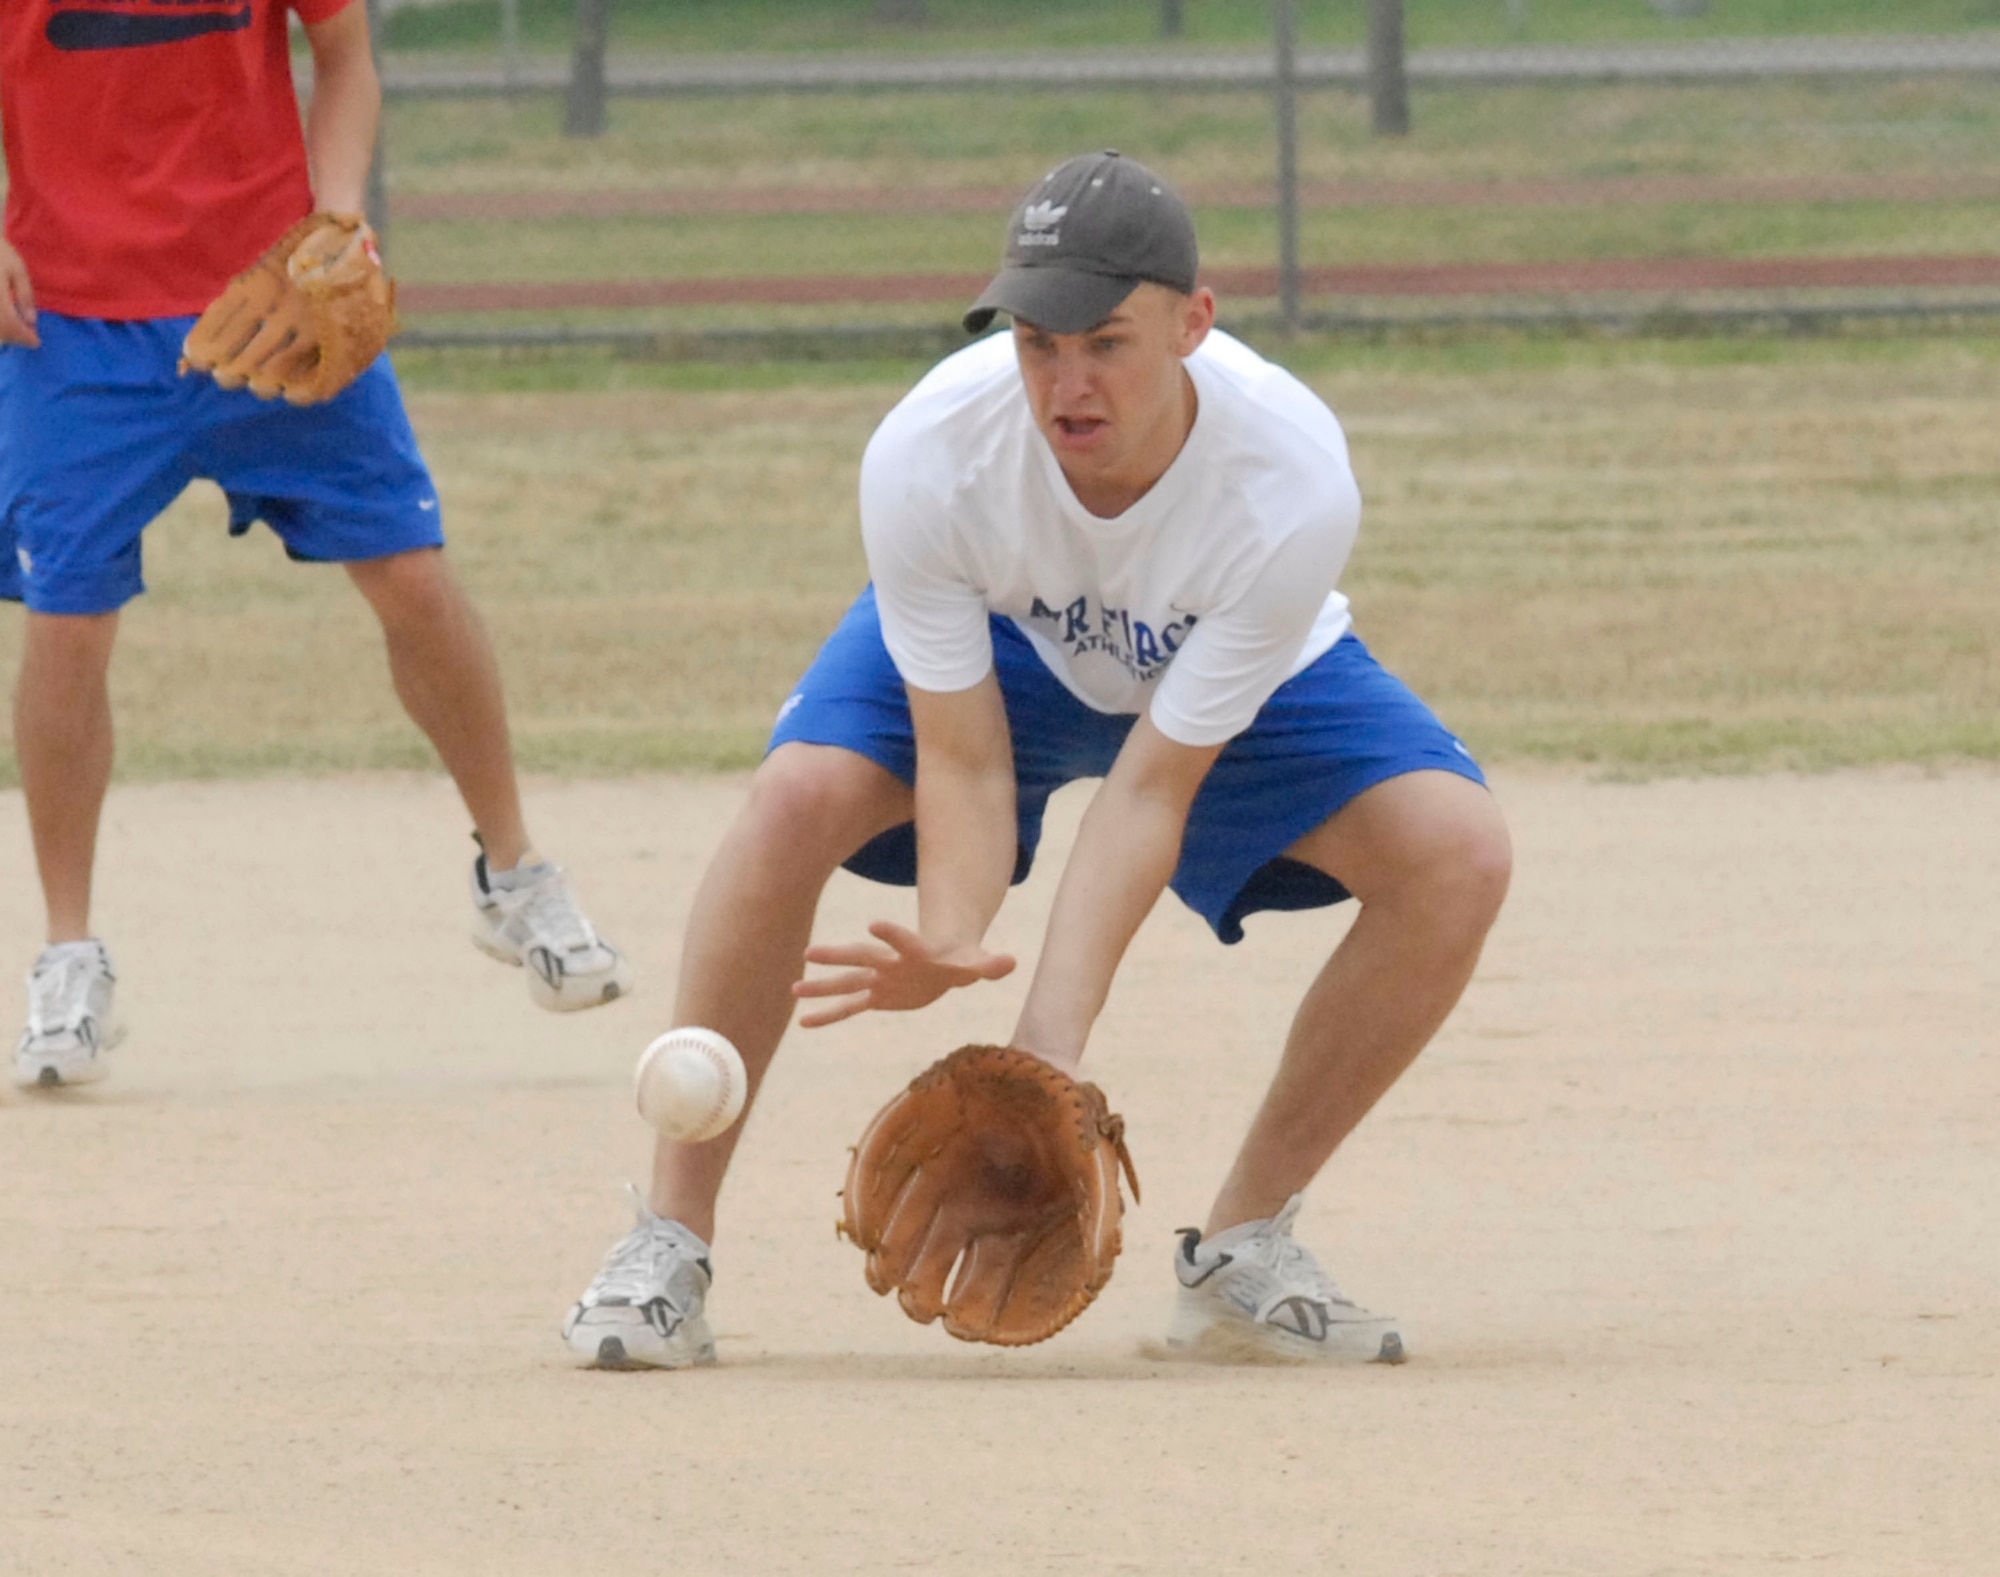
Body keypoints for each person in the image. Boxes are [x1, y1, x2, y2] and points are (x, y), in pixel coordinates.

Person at [562, 151, 1511, 1369]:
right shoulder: (932, 452)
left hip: (1208, 671)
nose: (1065, 382)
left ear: (1192, 322)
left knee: (1456, 851)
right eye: (1034, 341)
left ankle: (1239, 1251)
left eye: (1105, 341)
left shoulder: (1287, 480)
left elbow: (1149, 785)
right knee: (796, 792)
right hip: (1008, 642)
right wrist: (954, 938)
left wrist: (1040, 1055)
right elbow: (959, 757)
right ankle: (667, 1246)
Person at [1, 0, 630, 1088]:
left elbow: (343, 53)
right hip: (77, 325)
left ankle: (514, 874)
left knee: (413, 577)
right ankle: (69, 958)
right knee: (69, 619)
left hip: (277, 292)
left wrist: (335, 219)